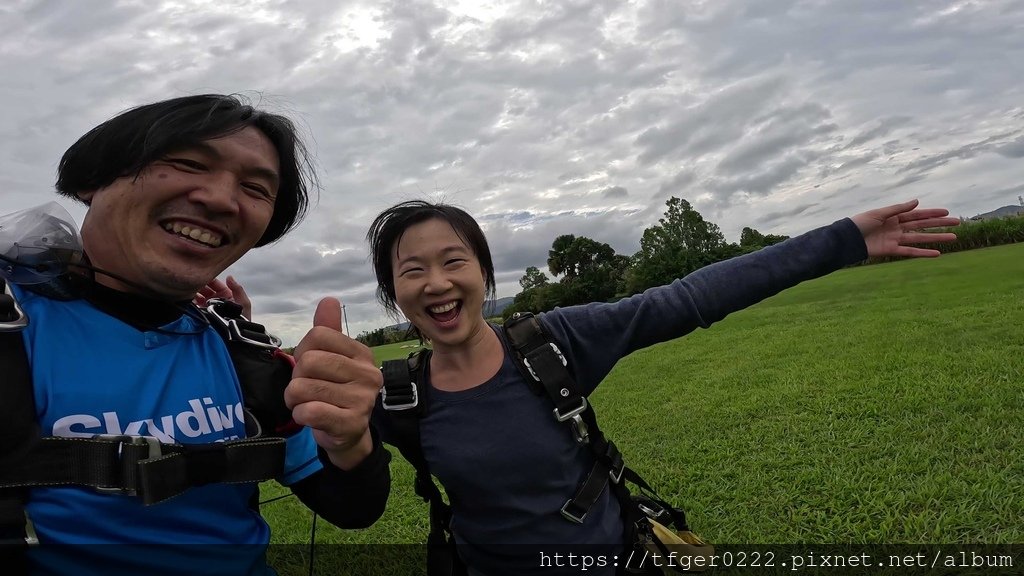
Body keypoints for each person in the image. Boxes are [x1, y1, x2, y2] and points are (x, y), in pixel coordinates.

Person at [363, 198, 958, 576]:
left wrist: (844, 240)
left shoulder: (552, 342)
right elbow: (348, 492)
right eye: (412, 271)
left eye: (454, 261)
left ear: (484, 273)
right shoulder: (396, 394)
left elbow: (686, 299)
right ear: (394, 293)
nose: (437, 283)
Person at [0, 95, 390, 575]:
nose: (221, 199)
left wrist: (349, 442)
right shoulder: (15, 330)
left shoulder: (240, 350)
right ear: (93, 179)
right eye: (186, 163)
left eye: (255, 188)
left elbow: (352, 508)